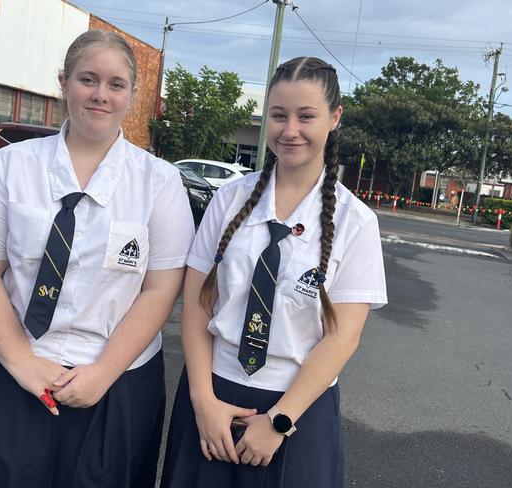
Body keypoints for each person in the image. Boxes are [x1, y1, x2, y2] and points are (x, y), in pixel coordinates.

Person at [0, 30, 194, 488]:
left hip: (114, 387)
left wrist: (102, 373)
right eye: (88, 79)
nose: (101, 95)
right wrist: (23, 361)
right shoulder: (11, 165)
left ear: (133, 96)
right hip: (7, 371)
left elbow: (161, 288)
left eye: (116, 84)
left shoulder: (159, 183)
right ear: (64, 81)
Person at [160, 56, 387, 488]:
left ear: (335, 117)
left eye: (306, 116)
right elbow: (196, 304)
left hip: (298, 411)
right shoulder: (229, 199)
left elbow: (343, 336)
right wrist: (202, 401)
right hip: (213, 397)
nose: (290, 130)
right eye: (279, 115)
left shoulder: (356, 222)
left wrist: (279, 421)